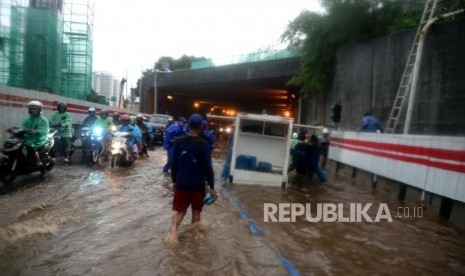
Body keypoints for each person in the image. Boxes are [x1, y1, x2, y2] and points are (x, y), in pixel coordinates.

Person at [166, 113, 216, 246]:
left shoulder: (178, 141)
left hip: (182, 183)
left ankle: (173, 231)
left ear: (188, 126)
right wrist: (212, 187)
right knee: (196, 212)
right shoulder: (204, 144)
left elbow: (174, 164)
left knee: (180, 211)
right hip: (198, 185)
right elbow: (208, 167)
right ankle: (196, 240)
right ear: (201, 127)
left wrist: (174, 181)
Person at [10, 101, 50, 167]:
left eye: (35, 108)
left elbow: (44, 131)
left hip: (38, 139)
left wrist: (36, 132)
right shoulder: (27, 119)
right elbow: (22, 127)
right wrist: (17, 131)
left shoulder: (43, 120)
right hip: (27, 138)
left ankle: (38, 161)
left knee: (31, 147)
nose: (33, 110)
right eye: (31, 108)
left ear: (39, 109)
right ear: (29, 109)